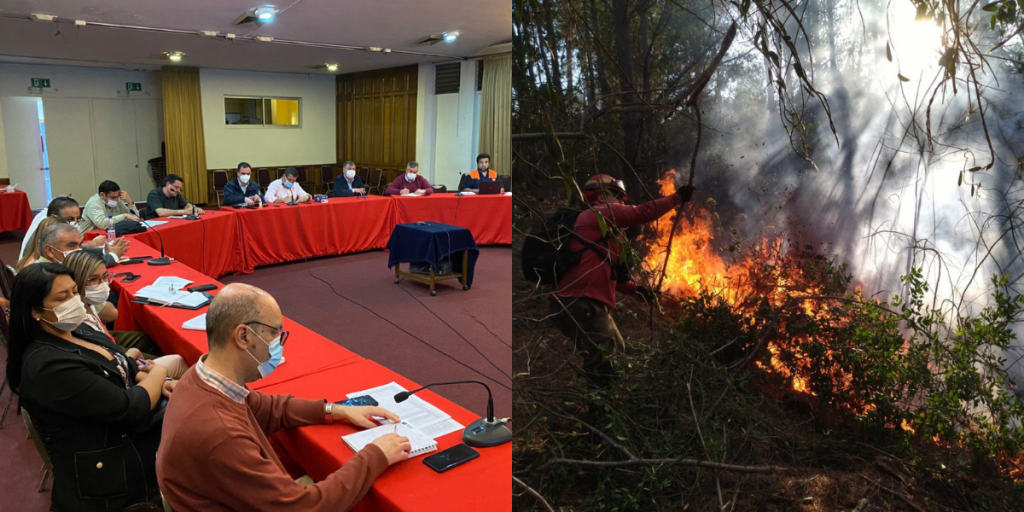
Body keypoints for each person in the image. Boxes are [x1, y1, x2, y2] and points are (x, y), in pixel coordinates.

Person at [157, 283, 411, 510]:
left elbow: (268, 408)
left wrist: (338, 410)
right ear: (243, 336)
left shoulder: (200, 377)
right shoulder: (220, 434)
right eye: (275, 333)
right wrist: (375, 455)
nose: (278, 341)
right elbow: (306, 507)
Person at [7, 263, 176, 512]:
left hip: (122, 431)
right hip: (112, 466)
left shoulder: (78, 329)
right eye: (62, 297)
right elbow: (130, 408)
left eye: (75, 292)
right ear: (34, 311)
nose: (74, 301)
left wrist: (155, 382)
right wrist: (160, 374)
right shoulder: (48, 365)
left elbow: (124, 363)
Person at [551, 174, 694, 387]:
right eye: (617, 196)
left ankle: (603, 404)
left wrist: (636, 291)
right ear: (601, 196)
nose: (621, 202)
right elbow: (643, 213)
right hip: (581, 302)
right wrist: (678, 197)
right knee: (604, 360)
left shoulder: (599, 228)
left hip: (580, 302)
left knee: (615, 347)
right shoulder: (600, 213)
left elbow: (613, 277)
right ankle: (599, 412)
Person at [63, 250, 185, 376]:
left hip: (118, 355)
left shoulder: (88, 304)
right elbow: (112, 365)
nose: (103, 284)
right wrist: (133, 356)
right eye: (93, 279)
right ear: (76, 282)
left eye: (105, 276)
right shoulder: (79, 319)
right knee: (179, 362)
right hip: (121, 371)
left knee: (151, 339)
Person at [35, 221, 127, 269]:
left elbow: (82, 249)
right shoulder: (47, 274)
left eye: (80, 244)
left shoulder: (56, 261)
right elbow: (88, 266)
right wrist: (113, 255)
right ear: (49, 250)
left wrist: (104, 251)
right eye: (72, 245)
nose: (79, 250)